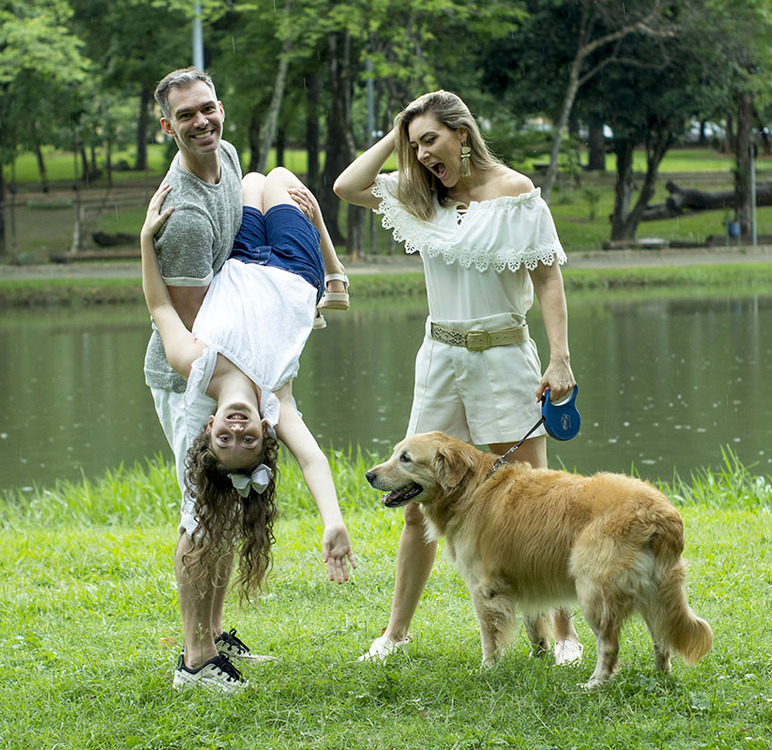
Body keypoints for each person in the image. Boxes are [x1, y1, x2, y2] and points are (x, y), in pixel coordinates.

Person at [333, 90, 582, 665]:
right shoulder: (421, 198)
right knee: (415, 501)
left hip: (505, 354)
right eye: (414, 145)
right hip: (440, 359)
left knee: (536, 501)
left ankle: (563, 634)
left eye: (430, 140)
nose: (423, 155)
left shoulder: (516, 193)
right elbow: (347, 185)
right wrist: (399, 130)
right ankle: (395, 633)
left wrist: (560, 358)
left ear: (462, 134)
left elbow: (548, 279)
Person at [142, 170, 355, 694]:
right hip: (295, 270)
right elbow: (312, 459)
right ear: (264, 430)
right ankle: (335, 276)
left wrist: (146, 240)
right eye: (249, 441)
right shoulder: (275, 400)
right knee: (279, 178)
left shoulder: (195, 362)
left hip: (241, 261)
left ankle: (207, 641)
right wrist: (333, 521)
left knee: (251, 177)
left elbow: (160, 306)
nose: (237, 431)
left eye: (225, 439)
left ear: (209, 426)